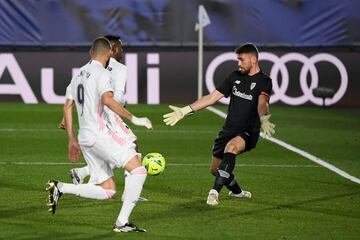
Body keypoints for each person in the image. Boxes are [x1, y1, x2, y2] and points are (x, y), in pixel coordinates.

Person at [47, 37, 151, 232]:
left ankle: (60, 187)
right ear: (109, 53)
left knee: (108, 190)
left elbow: (67, 107)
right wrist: (135, 119)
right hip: (100, 135)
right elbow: (108, 100)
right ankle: (121, 223)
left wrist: (71, 139)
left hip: (85, 138)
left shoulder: (78, 74)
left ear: (90, 53)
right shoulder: (101, 73)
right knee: (138, 170)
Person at [163, 43, 275, 205]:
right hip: (228, 129)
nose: (239, 63)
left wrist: (264, 118)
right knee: (215, 170)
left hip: (248, 131)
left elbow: (261, 103)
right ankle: (238, 192)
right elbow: (211, 98)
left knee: (232, 148)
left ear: (253, 59)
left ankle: (214, 192)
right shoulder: (235, 77)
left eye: (242, 60)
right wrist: (184, 111)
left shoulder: (264, 81)